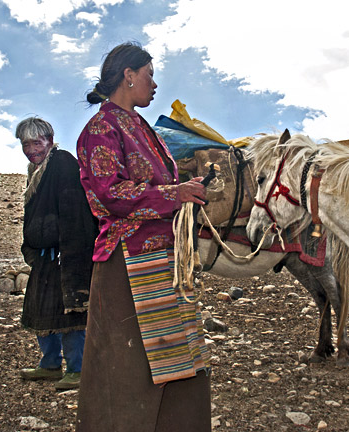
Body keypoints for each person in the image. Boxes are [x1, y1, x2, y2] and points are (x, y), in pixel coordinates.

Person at [75, 42, 211, 431]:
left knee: (177, 355)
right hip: (128, 264)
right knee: (130, 366)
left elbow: (151, 187)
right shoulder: (101, 128)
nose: (154, 84)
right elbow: (109, 193)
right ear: (128, 75)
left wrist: (185, 188)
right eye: (149, 74)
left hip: (161, 258)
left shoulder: (140, 127)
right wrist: (173, 194)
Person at [16, 117, 97, 391]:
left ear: (49, 141)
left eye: (36, 142)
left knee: (70, 314)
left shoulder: (62, 162)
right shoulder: (35, 170)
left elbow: (75, 211)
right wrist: (31, 249)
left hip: (65, 254)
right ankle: (50, 364)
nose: (31, 149)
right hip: (45, 257)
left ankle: (78, 369)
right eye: (26, 144)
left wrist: (72, 253)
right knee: (42, 311)